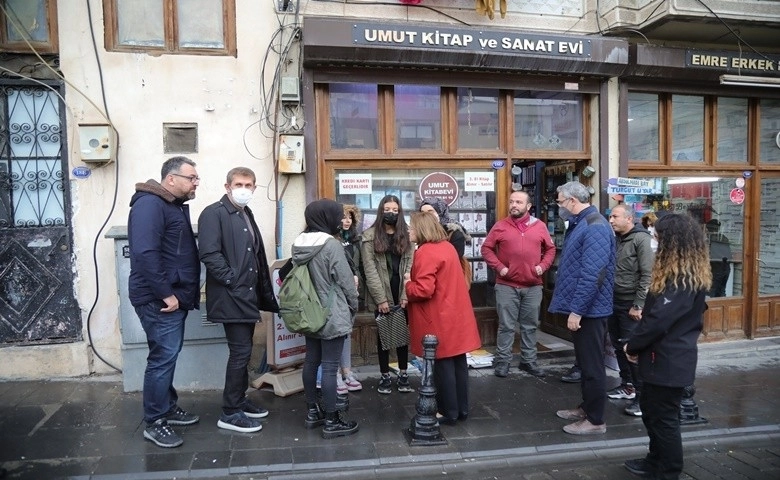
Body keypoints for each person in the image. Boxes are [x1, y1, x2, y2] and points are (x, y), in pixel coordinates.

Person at [622, 213, 711, 479]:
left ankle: (668, 470)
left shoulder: (682, 278)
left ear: (672, 243)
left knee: (665, 419)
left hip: (669, 361)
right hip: (661, 358)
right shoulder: (679, 274)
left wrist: (632, 347)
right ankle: (655, 460)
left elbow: (658, 321)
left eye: (657, 237)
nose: (653, 241)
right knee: (652, 412)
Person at [198, 167, 279, 433]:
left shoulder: (245, 213)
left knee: (242, 352)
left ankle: (239, 401)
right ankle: (230, 411)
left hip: (246, 296)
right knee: (240, 352)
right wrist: (234, 281)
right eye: (239, 184)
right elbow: (210, 254)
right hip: (231, 296)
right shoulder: (214, 213)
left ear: (255, 188)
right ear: (227, 186)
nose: (244, 188)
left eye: (249, 184)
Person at [128, 156, 201, 448]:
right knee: (162, 358)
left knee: (166, 355)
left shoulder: (169, 205)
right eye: (191, 178)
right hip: (159, 299)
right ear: (171, 179)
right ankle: (155, 421)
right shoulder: (150, 205)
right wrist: (166, 293)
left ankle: (167, 408)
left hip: (173, 296)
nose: (196, 183)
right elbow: (145, 253)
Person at [549, 181, 615, 435]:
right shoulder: (584, 223)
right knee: (586, 363)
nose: (559, 207)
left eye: (560, 202)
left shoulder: (594, 226)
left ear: (572, 201)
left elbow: (593, 274)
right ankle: (587, 407)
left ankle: (596, 420)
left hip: (591, 311)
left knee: (592, 366)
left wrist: (577, 310)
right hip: (588, 308)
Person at [404, 212, 481, 424]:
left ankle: (448, 412)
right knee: (458, 365)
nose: (409, 230)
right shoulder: (446, 247)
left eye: (411, 227)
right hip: (455, 313)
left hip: (438, 317)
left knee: (442, 367)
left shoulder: (426, 252)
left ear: (421, 229)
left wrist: (408, 283)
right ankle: (461, 410)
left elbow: (423, 290)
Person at [293, 199, 360, 439]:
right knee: (331, 367)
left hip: (308, 312)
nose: (339, 218)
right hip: (331, 312)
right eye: (336, 214)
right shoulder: (331, 245)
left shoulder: (299, 243)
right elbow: (344, 280)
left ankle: (313, 412)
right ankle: (332, 420)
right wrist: (354, 304)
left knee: (311, 362)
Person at [481, 190, 556, 378]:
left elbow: (550, 249)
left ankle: (528, 361)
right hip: (506, 285)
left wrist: (543, 266)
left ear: (528, 206)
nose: (514, 205)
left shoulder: (539, 226)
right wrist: (499, 267)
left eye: (519, 202)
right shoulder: (501, 226)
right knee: (506, 326)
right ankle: (503, 361)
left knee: (529, 325)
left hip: (532, 285)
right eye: (512, 201)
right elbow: (486, 248)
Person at [360, 194, 415, 394]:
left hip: (402, 291)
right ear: (380, 210)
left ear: (399, 212)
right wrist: (380, 299)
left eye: (395, 210)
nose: (390, 213)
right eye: (387, 209)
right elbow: (369, 270)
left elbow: (411, 264)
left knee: (401, 334)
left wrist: (405, 295)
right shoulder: (369, 236)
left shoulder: (407, 234)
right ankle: (384, 376)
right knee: (384, 336)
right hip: (380, 292)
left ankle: (403, 373)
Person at [607, 204, 654, 417]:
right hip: (613, 301)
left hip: (630, 304)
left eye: (615, 216)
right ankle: (627, 385)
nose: (611, 220)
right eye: (610, 216)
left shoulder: (640, 239)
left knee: (631, 349)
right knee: (618, 346)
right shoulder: (616, 239)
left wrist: (639, 304)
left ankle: (643, 398)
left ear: (629, 218)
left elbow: (647, 274)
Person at [336, 204, 363, 393]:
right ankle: (335, 374)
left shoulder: (355, 240)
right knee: (336, 333)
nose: (346, 221)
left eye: (350, 218)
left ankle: (347, 371)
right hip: (336, 292)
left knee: (346, 334)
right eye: (343, 217)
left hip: (352, 292)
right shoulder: (331, 239)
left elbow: (358, 266)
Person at [706, 219, 732, 298]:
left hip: (715, 268)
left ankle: (712, 310)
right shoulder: (724, 238)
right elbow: (729, 254)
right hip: (726, 268)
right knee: (722, 291)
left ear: (708, 228)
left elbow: (706, 254)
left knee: (711, 292)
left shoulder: (709, 239)